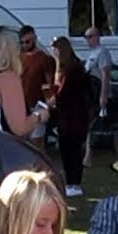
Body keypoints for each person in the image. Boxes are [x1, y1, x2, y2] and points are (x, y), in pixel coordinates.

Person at [0, 26, 50, 138]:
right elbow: (20, 128)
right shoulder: (7, 79)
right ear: (10, 49)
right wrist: (39, 115)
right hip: (5, 147)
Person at [45, 36, 90, 196]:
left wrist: (51, 100)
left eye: (55, 48)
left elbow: (63, 93)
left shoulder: (72, 69)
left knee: (72, 151)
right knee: (69, 150)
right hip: (69, 116)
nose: (53, 52)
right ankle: (72, 182)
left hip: (73, 117)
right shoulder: (69, 67)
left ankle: (74, 183)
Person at [82, 26, 113, 166]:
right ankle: (88, 155)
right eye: (85, 37)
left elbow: (105, 75)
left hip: (99, 93)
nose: (87, 40)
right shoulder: (92, 53)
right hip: (91, 95)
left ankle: (89, 155)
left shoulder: (102, 52)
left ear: (97, 36)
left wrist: (103, 96)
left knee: (99, 125)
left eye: (90, 37)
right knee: (91, 125)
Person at [17, 25, 54, 114]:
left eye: (27, 42)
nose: (24, 45)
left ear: (34, 39)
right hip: (22, 104)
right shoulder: (20, 57)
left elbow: (49, 83)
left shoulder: (44, 59)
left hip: (38, 104)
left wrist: (49, 104)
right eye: (21, 42)